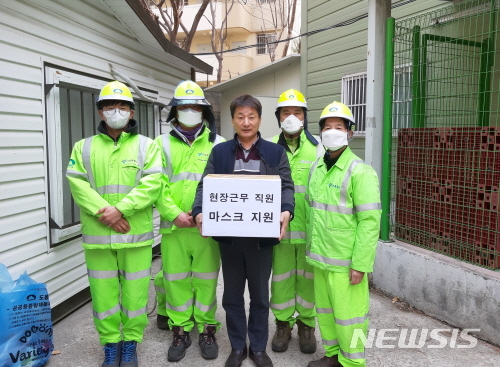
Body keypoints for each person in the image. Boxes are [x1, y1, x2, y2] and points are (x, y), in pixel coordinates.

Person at [192, 94, 295, 367]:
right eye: (240, 117)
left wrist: (286, 210)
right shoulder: (220, 152)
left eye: (251, 117)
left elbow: (286, 186)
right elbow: (205, 185)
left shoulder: (275, 152)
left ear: (260, 119)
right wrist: (199, 211)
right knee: (232, 297)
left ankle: (258, 348)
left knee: (260, 297)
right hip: (230, 239)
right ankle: (238, 347)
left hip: (261, 240)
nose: (246, 122)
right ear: (233, 120)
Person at [66, 81, 163, 367]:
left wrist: (120, 210)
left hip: (135, 234)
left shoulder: (147, 146)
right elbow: (77, 183)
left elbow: (152, 183)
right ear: (100, 112)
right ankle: (111, 344)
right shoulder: (83, 147)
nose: (116, 111)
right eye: (110, 106)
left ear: (132, 112)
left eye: (122, 107)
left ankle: (130, 343)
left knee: (134, 294)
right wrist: (104, 212)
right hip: (98, 235)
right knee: (103, 294)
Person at [305, 101, 381, 367]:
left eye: (339, 127)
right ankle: (333, 355)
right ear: (321, 133)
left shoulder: (360, 171)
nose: (332, 131)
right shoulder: (317, 168)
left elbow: (370, 222)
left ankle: (352, 362)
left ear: (349, 133)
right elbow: (312, 211)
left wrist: (360, 265)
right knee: (326, 313)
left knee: (350, 317)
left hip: (346, 263)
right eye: (327, 127)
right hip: (321, 259)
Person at [153, 80, 225, 362]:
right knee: (176, 280)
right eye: (184, 108)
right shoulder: (160, 144)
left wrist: (203, 215)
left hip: (208, 228)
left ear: (204, 112)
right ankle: (180, 329)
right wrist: (174, 213)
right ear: (175, 111)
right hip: (175, 228)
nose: (190, 112)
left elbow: (226, 186)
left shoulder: (218, 144)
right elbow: (155, 185)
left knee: (207, 280)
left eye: (196, 107)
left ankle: (207, 328)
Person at [269, 89, 324, 354]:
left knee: (307, 280)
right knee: (280, 279)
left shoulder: (319, 148)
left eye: (297, 112)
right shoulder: (266, 147)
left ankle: (306, 324)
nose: (291, 117)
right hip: (276, 231)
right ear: (278, 116)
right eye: (286, 112)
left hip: (310, 231)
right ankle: (282, 324)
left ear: (305, 117)